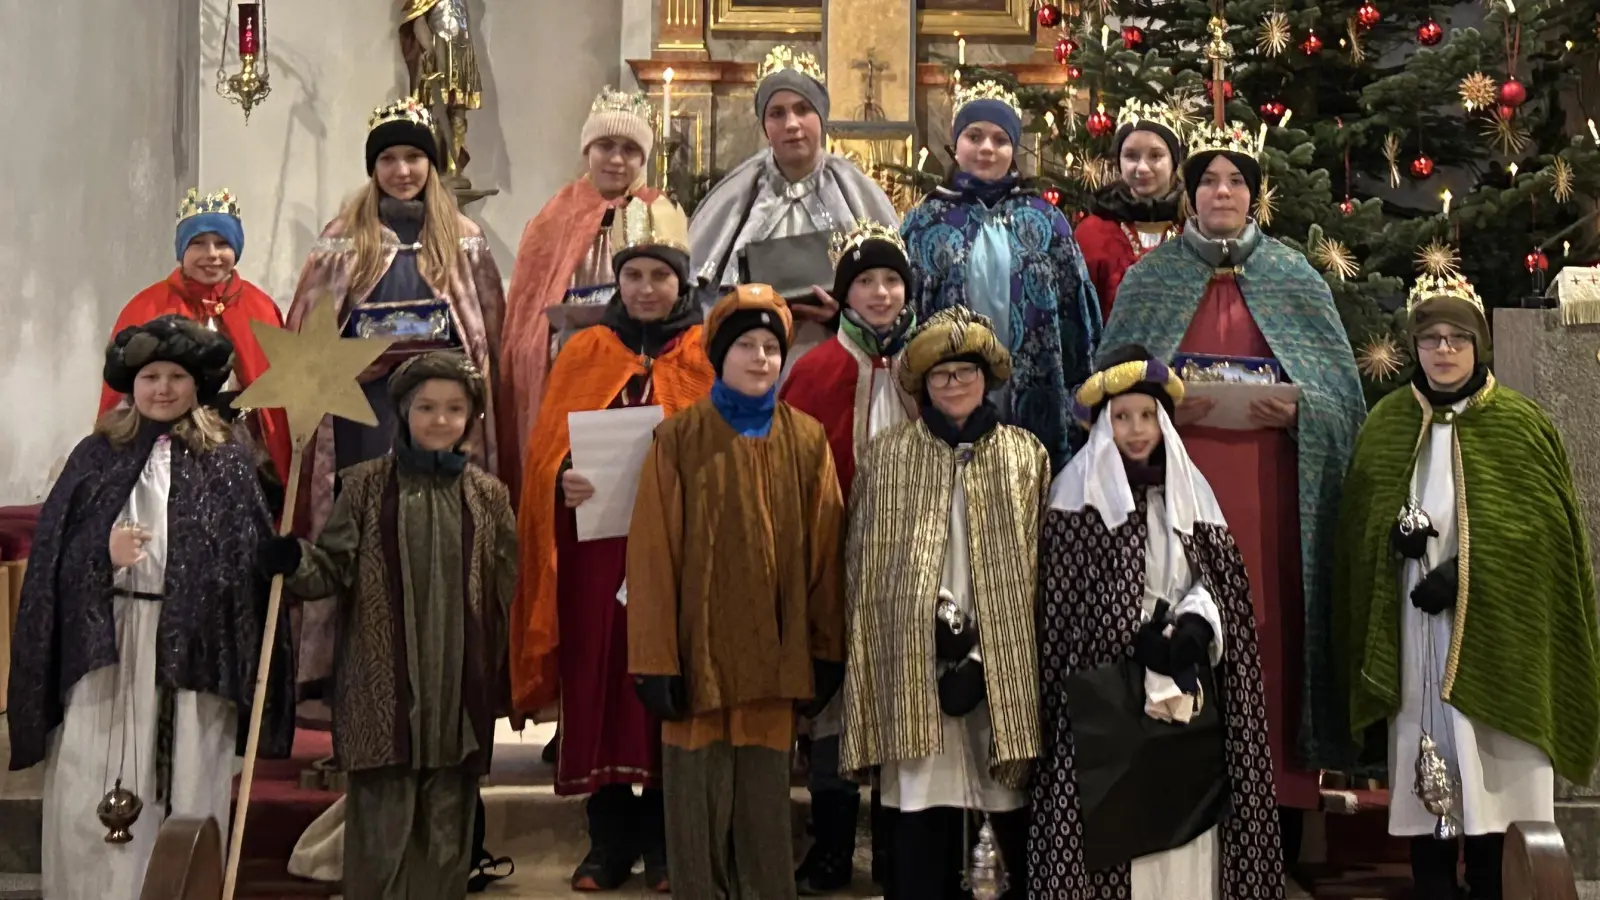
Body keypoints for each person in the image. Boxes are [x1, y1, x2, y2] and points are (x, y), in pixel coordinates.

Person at [1098, 119, 1366, 830]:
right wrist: (1162, 412)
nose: (1222, 191)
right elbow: (1109, 387)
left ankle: (1273, 826)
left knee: (1268, 644)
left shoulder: (1293, 277)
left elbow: (1342, 400)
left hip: (1272, 502)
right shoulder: (1151, 281)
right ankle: (1182, 823)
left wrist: (1300, 413)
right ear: (1189, 193)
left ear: (1255, 195)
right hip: (1175, 499)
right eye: (1208, 180)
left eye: (1236, 181)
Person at [1332, 272, 1599, 900]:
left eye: (1457, 338)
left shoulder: (1520, 426)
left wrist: (1467, 574)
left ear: (1478, 345)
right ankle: (1431, 884)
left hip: (1498, 635)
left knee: (1491, 773)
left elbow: (1547, 541)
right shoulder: (1387, 423)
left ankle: (1491, 880)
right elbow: (1357, 531)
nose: (1444, 350)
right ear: (1415, 347)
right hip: (1414, 628)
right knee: (1426, 753)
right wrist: (1391, 546)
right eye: (1431, 339)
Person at [8, 315, 294, 900]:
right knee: (101, 776)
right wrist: (101, 555)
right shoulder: (96, 454)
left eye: (176, 377)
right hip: (112, 644)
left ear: (198, 385)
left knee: (191, 776)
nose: (162, 388)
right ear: (129, 386)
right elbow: (51, 564)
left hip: (196, 647)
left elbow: (246, 557)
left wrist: (275, 560)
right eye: (150, 377)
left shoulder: (228, 459)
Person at [509, 195, 712, 893]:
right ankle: (606, 840)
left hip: (676, 554)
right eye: (635, 277)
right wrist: (563, 478)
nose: (647, 289)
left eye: (661, 276)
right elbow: (545, 455)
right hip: (596, 549)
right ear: (617, 283)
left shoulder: (705, 352)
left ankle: (661, 838)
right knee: (598, 677)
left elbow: (722, 446)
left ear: (682, 282)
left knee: (665, 677)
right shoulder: (588, 351)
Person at [1030, 345, 1284, 899]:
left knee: (1186, 833)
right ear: (1103, 425)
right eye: (1122, 417)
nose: (1136, 429)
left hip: (1186, 688)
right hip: (1107, 708)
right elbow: (1061, 618)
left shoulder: (1194, 493)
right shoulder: (1075, 498)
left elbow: (1216, 586)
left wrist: (1195, 626)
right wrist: (1126, 640)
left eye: (1147, 416)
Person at [261, 350, 517, 900]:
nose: (440, 420)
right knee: (381, 822)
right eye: (426, 407)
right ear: (403, 412)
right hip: (382, 687)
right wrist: (294, 561)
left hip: (458, 691)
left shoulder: (490, 498)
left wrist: (509, 680)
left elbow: (507, 595)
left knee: (447, 826)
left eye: (454, 409)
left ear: (471, 416)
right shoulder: (364, 487)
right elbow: (330, 569)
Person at [627, 284, 846, 900]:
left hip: (773, 665)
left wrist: (826, 647)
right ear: (718, 357)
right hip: (698, 663)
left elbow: (827, 555)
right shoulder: (679, 439)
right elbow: (652, 558)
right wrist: (653, 659)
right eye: (745, 346)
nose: (760, 359)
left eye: (771, 348)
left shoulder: (806, 440)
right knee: (697, 808)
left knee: (762, 810)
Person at [839, 306, 1046, 899]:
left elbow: (1035, 573)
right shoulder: (887, 456)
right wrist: (924, 626)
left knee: (1000, 801)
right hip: (914, 665)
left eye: (965, 371)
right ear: (923, 384)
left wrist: (983, 659)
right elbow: (867, 571)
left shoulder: (1024, 456)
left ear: (987, 377)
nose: (954, 384)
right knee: (920, 812)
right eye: (940, 374)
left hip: (997, 674)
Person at [285, 95, 505, 540]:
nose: (401, 171)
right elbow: (307, 337)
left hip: (442, 409)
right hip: (364, 407)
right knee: (371, 524)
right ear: (373, 167)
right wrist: (352, 359)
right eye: (388, 158)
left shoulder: (464, 240)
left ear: (432, 163)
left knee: (432, 531)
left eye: (413, 157)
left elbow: (488, 336)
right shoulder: (342, 238)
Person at [779, 220, 919, 894]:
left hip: (908, 565)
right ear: (845, 294)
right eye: (867, 281)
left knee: (898, 698)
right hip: (834, 561)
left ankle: (895, 847)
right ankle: (832, 844)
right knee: (833, 705)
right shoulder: (814, 369)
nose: (882, 293)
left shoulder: (929, 369)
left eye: (892, 280)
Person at [901, 80, 1102, 474]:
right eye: (974, 136)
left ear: (1013, 150)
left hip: (1036, 393)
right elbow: (906, 309)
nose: (987, 148)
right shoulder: (924, 220)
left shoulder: (1047, 219)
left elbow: (1076, 313)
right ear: (956, 144)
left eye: (999, 139)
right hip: (950, 391)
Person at [687, 45, 898, 372]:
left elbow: (893, 294)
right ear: (764, 125)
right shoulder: (734, 196)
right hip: (754, 361)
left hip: (838, 358)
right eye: (777, 113)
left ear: (822, 117)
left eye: (803, 109)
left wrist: (844, 315)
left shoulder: (857, 193)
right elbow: (704, 296)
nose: (792, 124)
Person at [500, 87, 661, 496]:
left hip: (634, 369)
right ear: (588, 149)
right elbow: (528, 310)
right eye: (605, 145)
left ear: (643, 158)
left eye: (629, 148)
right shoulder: (554, 217)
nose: (616, 159)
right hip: (566, 366)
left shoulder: (659, 214)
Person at [99, 188, 292, 488]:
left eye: (222, 243)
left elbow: (280, 395)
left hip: (241, 444)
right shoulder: (148, 307)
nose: (212, 255)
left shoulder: (260, 307)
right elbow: (120, 392)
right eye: (198, 243)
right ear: (181, 249)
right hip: (163, 441)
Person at [1073, 100, 1187, 319]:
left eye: (1155, 156)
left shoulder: (1193, 229)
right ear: (1119, 161)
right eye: (1131, 156)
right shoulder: (1092, 233)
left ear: (1173, 161)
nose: (1142, 167)